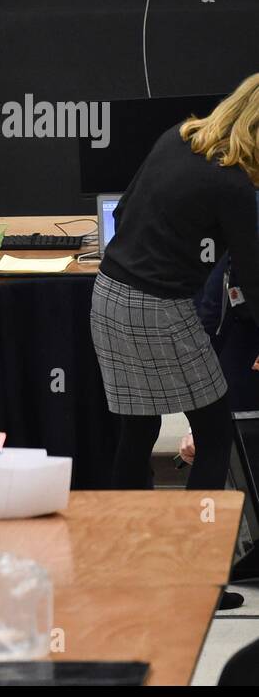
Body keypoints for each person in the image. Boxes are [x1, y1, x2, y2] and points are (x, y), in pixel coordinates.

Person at [91, 73, 259, 493]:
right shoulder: (232, 180)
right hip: (159, 308)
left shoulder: (177, 138)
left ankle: (129, 531)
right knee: (215, 432)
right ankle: (198, 546)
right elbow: (252, 271)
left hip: (107, 294)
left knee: (138, 429)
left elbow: (122, 214)